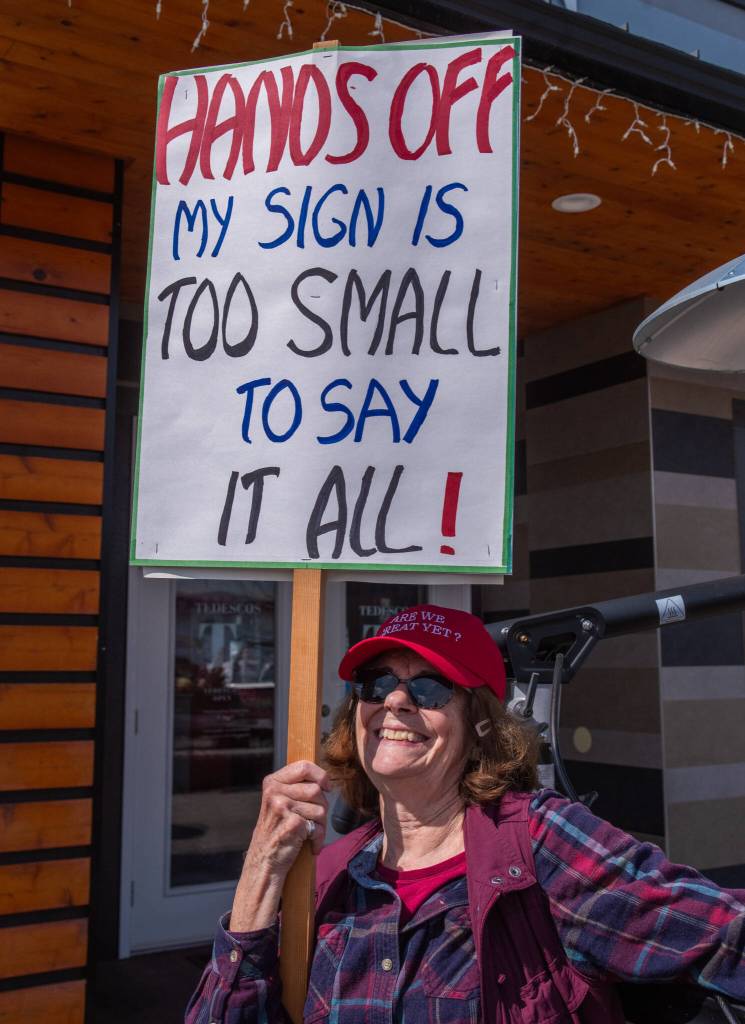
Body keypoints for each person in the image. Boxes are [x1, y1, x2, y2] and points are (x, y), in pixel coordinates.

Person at [186, 604, 745, 1023]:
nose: (395, 702)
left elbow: (723, 937)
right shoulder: (325, 877)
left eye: (428, 688)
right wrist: (261, 870)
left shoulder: (539, 843)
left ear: (482, 726)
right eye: (377, 684)